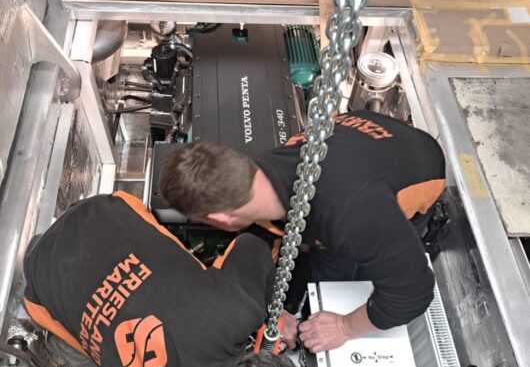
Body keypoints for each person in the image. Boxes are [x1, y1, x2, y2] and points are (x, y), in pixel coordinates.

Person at [23, 191, 311, 367]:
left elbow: (252, 244)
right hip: (44, 285)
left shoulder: (237, 307)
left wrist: (272, 309)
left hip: (98, 214)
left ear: (266, 359)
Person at [159, 110, 446, 353]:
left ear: (220, 218)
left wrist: (343, 327)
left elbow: (412, 295)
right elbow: (267, 233)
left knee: (364, 270)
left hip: (417, 169)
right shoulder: (259, 172)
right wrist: (271, 306)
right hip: (371, 144)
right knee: (330, 265)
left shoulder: (353, 215)